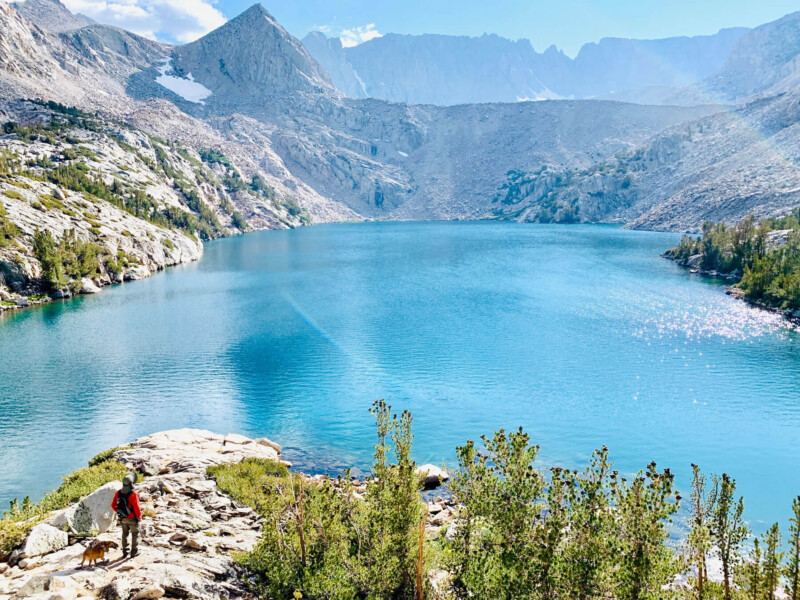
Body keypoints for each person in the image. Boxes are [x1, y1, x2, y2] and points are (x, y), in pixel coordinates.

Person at [111, 473, 141, 558]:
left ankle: (125, 552)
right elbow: (137, 507)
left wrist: (119, 512)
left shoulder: (118, 493)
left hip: (122, 518)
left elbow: (113, 505)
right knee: (135, 534)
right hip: (132, 518)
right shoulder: (133, 494)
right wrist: (139, 517)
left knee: (125, 534)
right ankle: (134, 552)